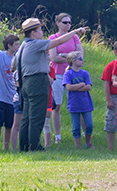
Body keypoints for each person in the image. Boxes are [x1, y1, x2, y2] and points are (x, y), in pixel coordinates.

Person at [15, 17, 86, 151]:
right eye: (40, 29)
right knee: (37, 116)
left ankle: (24, 146)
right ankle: (35, 146)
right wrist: (75, 31)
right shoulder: (35, 44)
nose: (42, 32)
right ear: (33, 33)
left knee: (27, 117)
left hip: (26, 82)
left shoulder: (22, 46)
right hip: (37, 81)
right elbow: (58, 41)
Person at [49, 13, 83, 144]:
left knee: (77, 105)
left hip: (72, 74)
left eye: (69, 22)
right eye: (65, 22)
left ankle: (82, 134)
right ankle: (57, 136)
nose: (68, 25)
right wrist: (71, 57)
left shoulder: (74, 37)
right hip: (57, 74)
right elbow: (54, 58)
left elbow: (80, 56)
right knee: (56, 106)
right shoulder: (53, 37)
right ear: (58, 23)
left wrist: (63, 54)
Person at [63, 51, 94, 148]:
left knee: (89, 125)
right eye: (80, 59)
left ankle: (87, 143)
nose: (82, 60)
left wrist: (76, 88)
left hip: (86, 103)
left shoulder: (85, 73)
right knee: (76, 127)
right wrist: (80, 85)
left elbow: (88, 87)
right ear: (73, 61)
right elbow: (68, 87)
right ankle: (77, 147)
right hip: (74, 103)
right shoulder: (68, 74)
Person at [102, 40, 117, 151]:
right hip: (114, 96)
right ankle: (110, 147)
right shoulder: (111, 65)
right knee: (111, 123)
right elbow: (106, 83)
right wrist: (108, 100)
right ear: (116, 52)